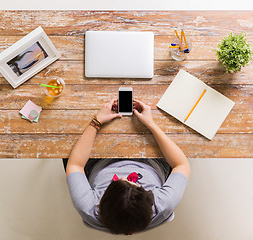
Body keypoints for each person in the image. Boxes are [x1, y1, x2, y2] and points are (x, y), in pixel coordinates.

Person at [65, 99, 190, 235]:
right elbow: (181, 164)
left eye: (117, 182)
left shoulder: (88, 207)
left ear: (100, 204)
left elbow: (75, 165)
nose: (124, 176)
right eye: (131, 182)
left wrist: (96, 121)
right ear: (150, 199)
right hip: (153, 162)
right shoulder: (163, 204)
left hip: (98, 163)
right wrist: (150, 123)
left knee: (68, 137)